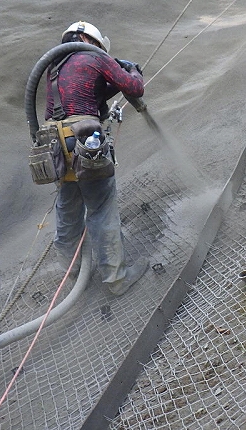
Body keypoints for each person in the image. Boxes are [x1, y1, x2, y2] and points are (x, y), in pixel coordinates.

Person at [45, 21, 148, 296]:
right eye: (101, 46)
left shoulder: (54, 68)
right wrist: (133, 70)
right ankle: (116, 280)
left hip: (56, 146)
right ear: (89, 39)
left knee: (67, 209)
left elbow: (87, 96)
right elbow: (134, 88)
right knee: (101, 210)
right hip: (85, 141)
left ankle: (74, 273)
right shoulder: (93, 56)